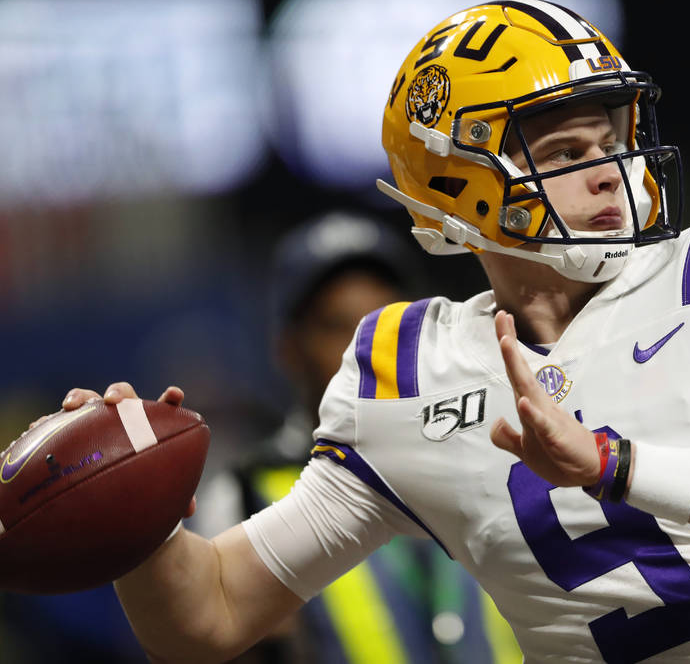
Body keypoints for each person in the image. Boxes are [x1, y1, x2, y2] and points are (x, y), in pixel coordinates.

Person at [58, 0, 690, 662]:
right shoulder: (406, 368)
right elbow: (209, 615)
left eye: (611, 140)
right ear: (459, 183)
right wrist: (133, 518)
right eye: (568, 154)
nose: (612, 175)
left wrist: (616, 465)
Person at [190, 210, 521, 663]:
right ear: (289, 349)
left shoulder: (491, 452)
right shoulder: (243, 495)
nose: (366, 349)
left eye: (384, 323)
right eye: (337, 326)